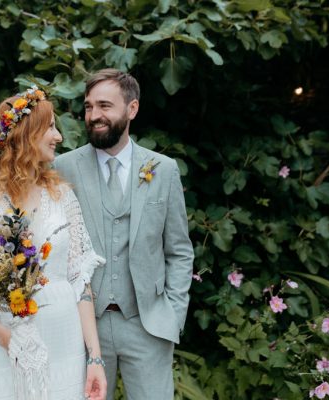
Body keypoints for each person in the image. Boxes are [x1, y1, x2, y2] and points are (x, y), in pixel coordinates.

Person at [0, 87, 107, 400]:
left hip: (63, 340)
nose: (58, 137)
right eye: (50, 127)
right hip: (5, 341)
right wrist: (9, 340)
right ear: (25, 135)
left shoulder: (63, 196)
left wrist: (94, 357)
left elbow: (80, 278)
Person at [54, 69, 194, 400]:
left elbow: (179, 251)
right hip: (84, 326)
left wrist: (172, 314)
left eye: (105, 105)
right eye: (88, 107)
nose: (94, 115)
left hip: (148, 325)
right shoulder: (64, 168)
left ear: (132, 109)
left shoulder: (164, 170)